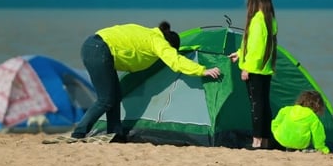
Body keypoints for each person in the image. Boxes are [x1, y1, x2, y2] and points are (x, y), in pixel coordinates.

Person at [71, 21, 221, 140]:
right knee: (106, 100)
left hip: (93, 45)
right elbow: (176, 62)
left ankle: (115, 133)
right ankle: (79, 132)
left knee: (115, 97)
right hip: (100, 50)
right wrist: (203, 70)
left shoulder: (148, 33)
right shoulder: (159, 42)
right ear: (170, 45)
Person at [228, 0, 277, 149]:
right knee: (263, 105)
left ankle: (256, 141)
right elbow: (256, 45)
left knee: (256, 106)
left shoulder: (257, 20)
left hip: (255, 69)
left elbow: (256, 49)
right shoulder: (269, 19)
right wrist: (240, 53)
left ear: (255, 0)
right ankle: (265, 140)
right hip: (265, 69)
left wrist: (246, 67)